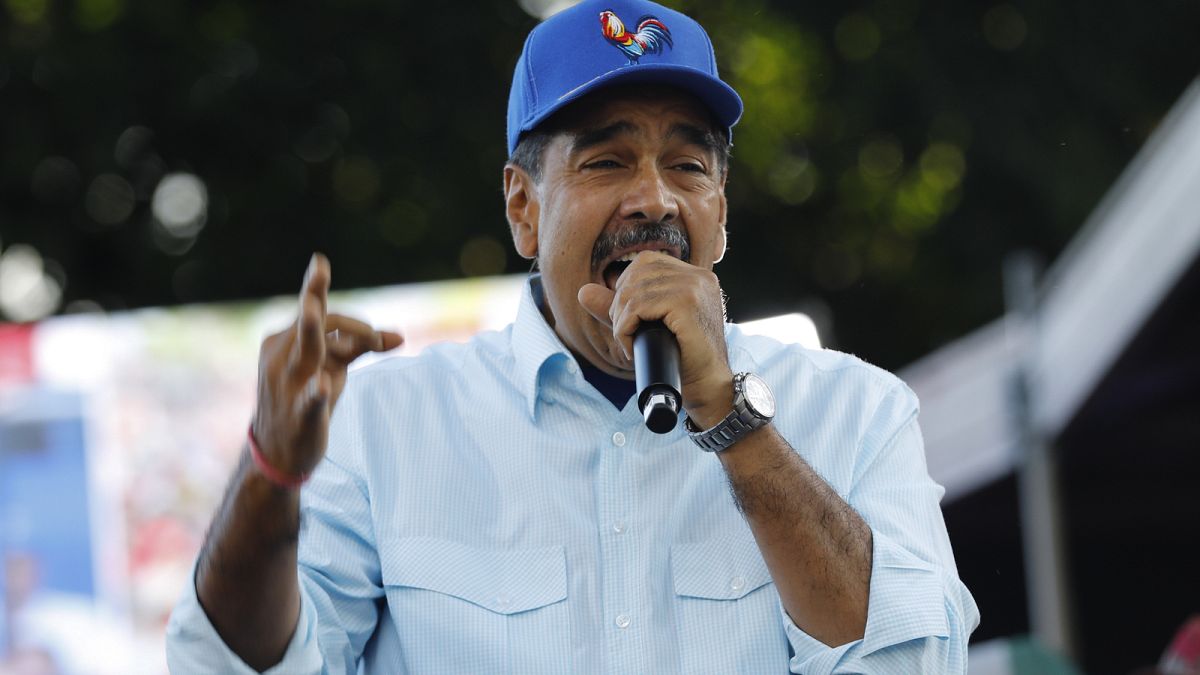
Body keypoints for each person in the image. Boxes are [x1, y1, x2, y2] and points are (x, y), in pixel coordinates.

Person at [166, 0, 979, 672]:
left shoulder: (860, 412)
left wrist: (732, 418)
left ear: (721, 212)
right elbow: (228, 666)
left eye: (689, 167)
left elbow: (915, 664)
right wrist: (269, 475)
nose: (653, 198)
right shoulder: (383, 424)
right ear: (523, 208)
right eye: (606, 162)